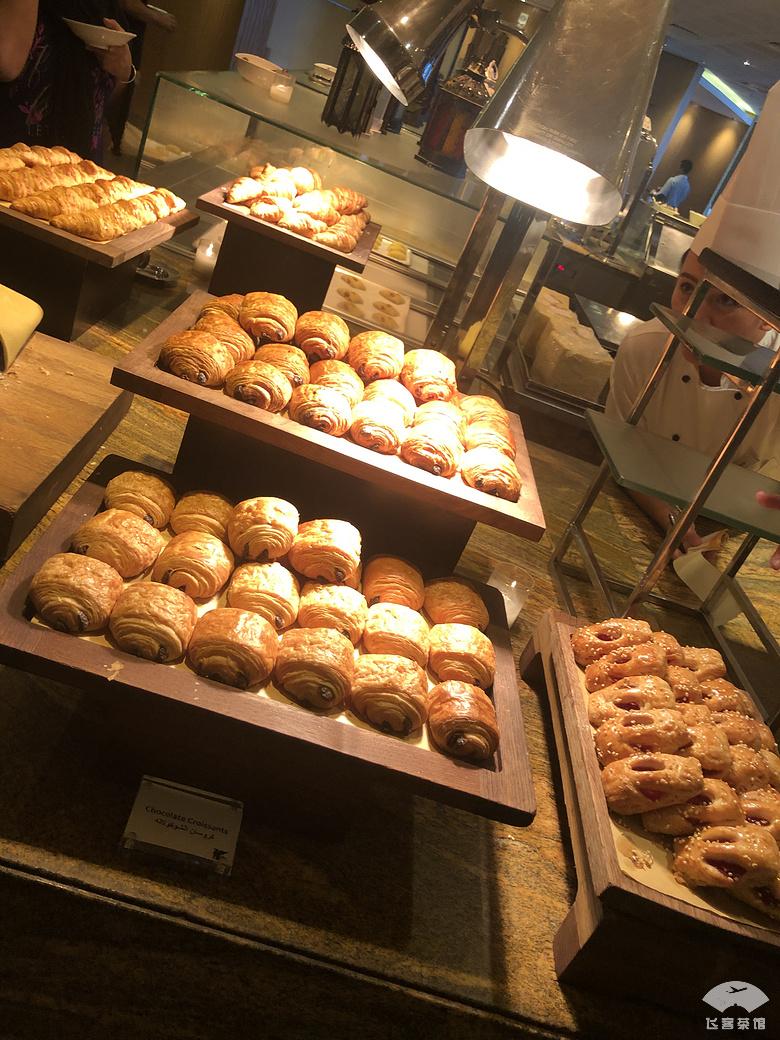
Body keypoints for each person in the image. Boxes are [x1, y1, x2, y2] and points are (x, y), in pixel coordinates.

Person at [606, 248, 780, 562]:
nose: (694, 315)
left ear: (768, 320)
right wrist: (672, 520)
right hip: (638, 506)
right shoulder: (644, 348)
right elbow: (622, 448)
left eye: (725, 300)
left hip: (734, 535)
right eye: (687, 287)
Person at [0, 0, 133, 160]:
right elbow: (8, 67)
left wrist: (124, 72)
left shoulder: (105, 10)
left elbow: (103, 99)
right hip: (17, 157)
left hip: (79, 163)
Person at [107, 0, 177, 156]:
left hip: (125, 42)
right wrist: (158, 17)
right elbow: (127, 3)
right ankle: (109, 139)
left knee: (123, 89)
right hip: (116, 40)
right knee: (112, 95)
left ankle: (113, 141)